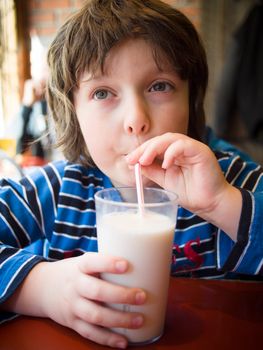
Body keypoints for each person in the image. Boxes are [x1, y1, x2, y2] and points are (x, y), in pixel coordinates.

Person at [0, 0, 262, 348]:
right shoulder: (58, 189)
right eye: (103, 92)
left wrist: (223, 204)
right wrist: (40, 288)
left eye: (159, 86)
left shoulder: (231, 181)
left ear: (191, 99)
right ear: (73, 112)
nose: (135, 119)